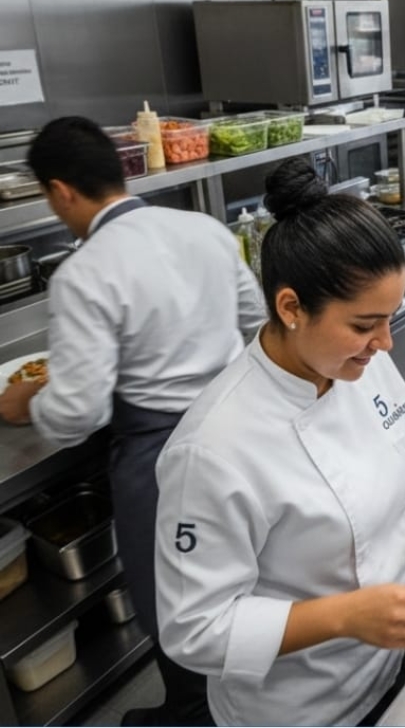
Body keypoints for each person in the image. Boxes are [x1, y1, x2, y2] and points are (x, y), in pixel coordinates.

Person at [154, 158, 405, 726]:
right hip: (297, 705)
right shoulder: (213, 449)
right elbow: (193, 630)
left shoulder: (356, 365)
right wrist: (345, 616)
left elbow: (385, 450)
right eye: (365, 324)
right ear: (291, 307)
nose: (385, 343)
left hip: (384, 664)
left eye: (390, 319)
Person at [0, 116, 266, 726]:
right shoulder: (203, 228)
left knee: (173, 596)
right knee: (243, 569)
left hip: (158, 459)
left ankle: (192, 712)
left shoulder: (82, 274)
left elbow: (76, 414)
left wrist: (26, 402)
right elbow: (252, 321)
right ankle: (245, 697)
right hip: (236, 428)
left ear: (61, 191)